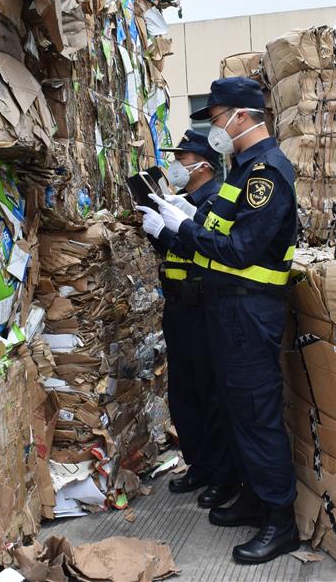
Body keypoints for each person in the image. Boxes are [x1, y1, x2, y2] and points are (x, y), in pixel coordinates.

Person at [141, 77, 299, 564]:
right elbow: (215, 229)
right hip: (226, 308)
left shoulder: (266, 174)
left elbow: (240, 248)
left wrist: (179, 227)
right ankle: (254, 497)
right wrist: (180, 216)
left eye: (216, 119)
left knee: (257, 414)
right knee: (236, 412)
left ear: (243, 116)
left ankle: (280, 520)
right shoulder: (241, 170)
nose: (215, 129)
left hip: (249, 310)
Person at [138, 130, 239, 510]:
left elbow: (206, 250)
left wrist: (172, 226)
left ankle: (222, 473)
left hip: (202, 304)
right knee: (184, 391)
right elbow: (171, 250)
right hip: (178, 303)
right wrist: (156, 225)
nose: (176, 165)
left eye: (182, 158)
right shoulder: (185, 199)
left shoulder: (214, 202)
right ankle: (199, 464)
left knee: (209, 391)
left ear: (203, 164)